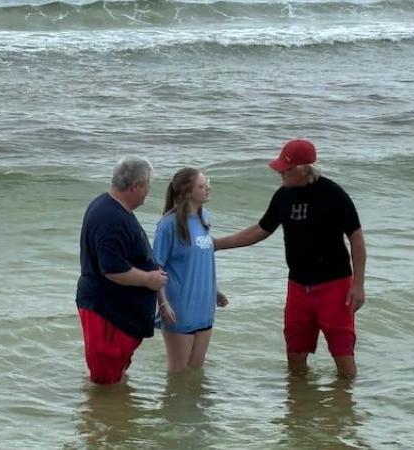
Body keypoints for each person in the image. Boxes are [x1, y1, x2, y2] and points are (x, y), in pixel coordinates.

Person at [214, 139, 366, 378]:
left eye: (285, 169)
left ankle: (344, 407)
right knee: (295, 354)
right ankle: (299, 406)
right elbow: (260, 230)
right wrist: (215, 245)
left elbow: (356, 239)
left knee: (342, 353)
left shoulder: (333, 194)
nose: (280, 173)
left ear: (304, 168)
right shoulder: (283, 196)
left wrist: (358, 285)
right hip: (297, 286)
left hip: (335, 286)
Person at [76, 155, 168, 384]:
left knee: (114, 378)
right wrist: (149, 278)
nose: (148, 191)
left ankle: (116, 415)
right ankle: (103, 416)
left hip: (118, 313)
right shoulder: (110, 217)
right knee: (105, 382)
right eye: (147, 185)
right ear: (136, 186)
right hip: (108, 313)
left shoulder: (113, 208)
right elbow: (113, 269)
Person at [153, 168, 228, 374]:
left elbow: (201, 260)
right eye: (202, 186)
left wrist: (215, 290)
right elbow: (156, 268)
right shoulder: (168, 225)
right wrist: (163, 303)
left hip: (204, 307)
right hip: (179, 308)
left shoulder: (205, 217)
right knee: (178, 374)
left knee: (195, 372)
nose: (207, 188)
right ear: (187, 192)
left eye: (207, 184)